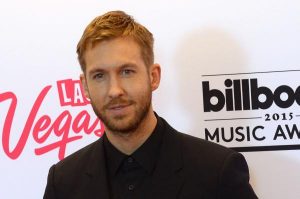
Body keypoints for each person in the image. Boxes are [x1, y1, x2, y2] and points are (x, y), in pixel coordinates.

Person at [43, 10, 258, 199]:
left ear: (153, 76)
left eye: (127, 72)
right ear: (85, 86)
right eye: (99, 76)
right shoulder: (63, 182)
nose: (114, 90)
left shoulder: (216, 170)